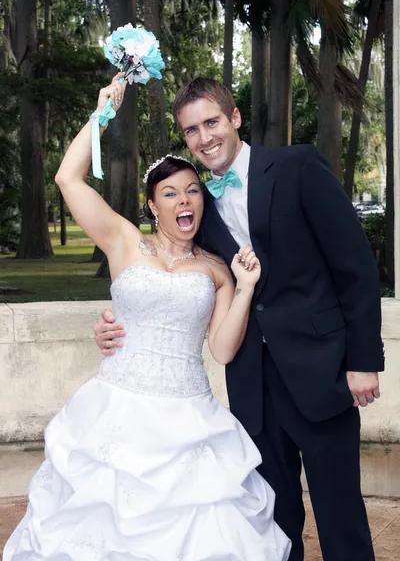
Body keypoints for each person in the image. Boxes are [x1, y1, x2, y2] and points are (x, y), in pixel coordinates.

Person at [94, 77, 384, 561]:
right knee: (271, 518)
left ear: (234, 118)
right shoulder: (196, 207)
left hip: (321, 372)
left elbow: (354, 266)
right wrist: (117, 322)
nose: (204, 138)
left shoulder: (298, 166)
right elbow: (168, 277)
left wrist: (362, 360)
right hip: (251, 385)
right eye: (191, 130)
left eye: (211, 122)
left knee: (340, 514)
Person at [3, 74, 291, 561]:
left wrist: (243, 289)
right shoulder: (122, 241)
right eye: (172, 194)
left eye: (193, 192)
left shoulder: (216, 269)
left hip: (188, 418)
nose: (185, 201)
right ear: (153, 206)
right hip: (118, 411)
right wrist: (101, 114)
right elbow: (67, 179)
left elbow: (221, 349)